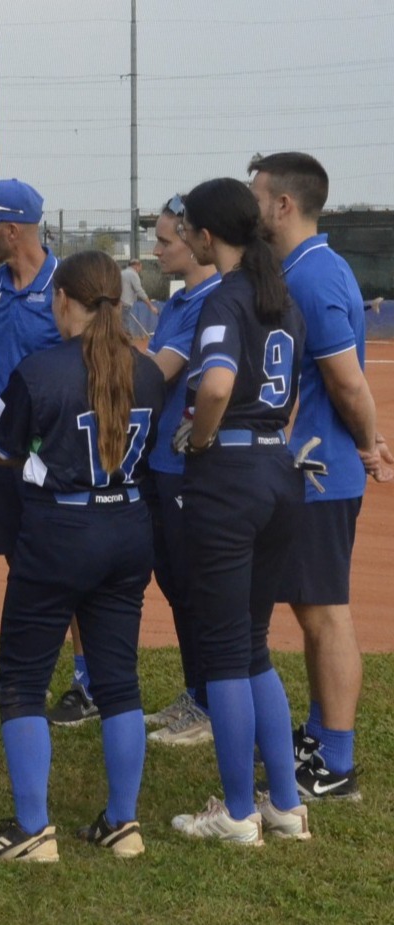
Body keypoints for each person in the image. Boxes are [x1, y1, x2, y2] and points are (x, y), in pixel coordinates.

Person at [0, 251, 165, 862]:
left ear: (65, 302)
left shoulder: (40, 369)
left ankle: (34, 831)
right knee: (119, 680)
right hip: (129, 526)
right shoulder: (150, 370)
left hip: (62, 529)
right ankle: (123, 823)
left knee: (24, 680)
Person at [168, 177, 311, 845]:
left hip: (229, 474)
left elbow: (218, 383)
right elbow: (290, 397)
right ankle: (283, 804)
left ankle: (236, 812)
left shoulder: (225, 295)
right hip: (279, 468)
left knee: (226, 653)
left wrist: (198, 438)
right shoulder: (277, 291)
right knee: (253, 649)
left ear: (204, 234)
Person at [251, 151, 393, 801]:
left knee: (327, 613)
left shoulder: (315, 276)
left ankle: (334, 763)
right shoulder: (297, 269)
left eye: (258, 195)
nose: (252, 206)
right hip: (306, 469)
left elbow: (345, 379)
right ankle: (317, 732)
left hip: (320, 473)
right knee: (312, 612)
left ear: (284, 204)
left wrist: (369, 445)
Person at [0, 179, 95, 726]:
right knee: (22, 562)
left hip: (59, 450)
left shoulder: (68, 284)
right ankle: (22, 675)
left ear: (12, 230)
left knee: (70, 569)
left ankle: (87, 683)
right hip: (8, 449)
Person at [141, 195, 222, 749]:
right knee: (174, 581)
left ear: (197, 241)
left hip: (188, 466)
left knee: (196, 584)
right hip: (161, 460)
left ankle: (213, 704)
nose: (158, 249)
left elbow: (158, 372)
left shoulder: (210, 301)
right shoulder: (179, 301)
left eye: (167, 241)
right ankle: (197, 692)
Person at [120, 260, 157, 338]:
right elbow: (139, 291)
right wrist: (150, 306)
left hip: (119, 303)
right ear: (136, 266)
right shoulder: (133, 274)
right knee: (124, 327)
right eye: (140, 267)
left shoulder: (121, 273)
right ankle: (126, 345)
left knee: (121, 325)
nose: (140, 270)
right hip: (125, 304)